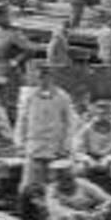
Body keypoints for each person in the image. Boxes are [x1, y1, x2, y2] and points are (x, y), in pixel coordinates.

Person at [17, 62, 77, 200]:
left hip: (55, 150)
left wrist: (66, 145)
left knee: (54, 187)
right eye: (40, 77)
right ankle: (25, 209)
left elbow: (70, 123)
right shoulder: (30, 97)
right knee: (29, 185)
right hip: (35, 149)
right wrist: (20, 144)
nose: (43, 80)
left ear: (51, 77)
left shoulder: (62, 97)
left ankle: (51, 211)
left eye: (46, 76)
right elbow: (22, 121)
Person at [73, 101, 111, 189]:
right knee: (79, 170)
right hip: (91, 159)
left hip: (110, 160)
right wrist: (88, 159)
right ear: (95, 114)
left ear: (109, 115)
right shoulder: (86, 129)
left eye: (105, 113)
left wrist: (109, 159)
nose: (102, 116)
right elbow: (77, 150)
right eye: (100, 113)